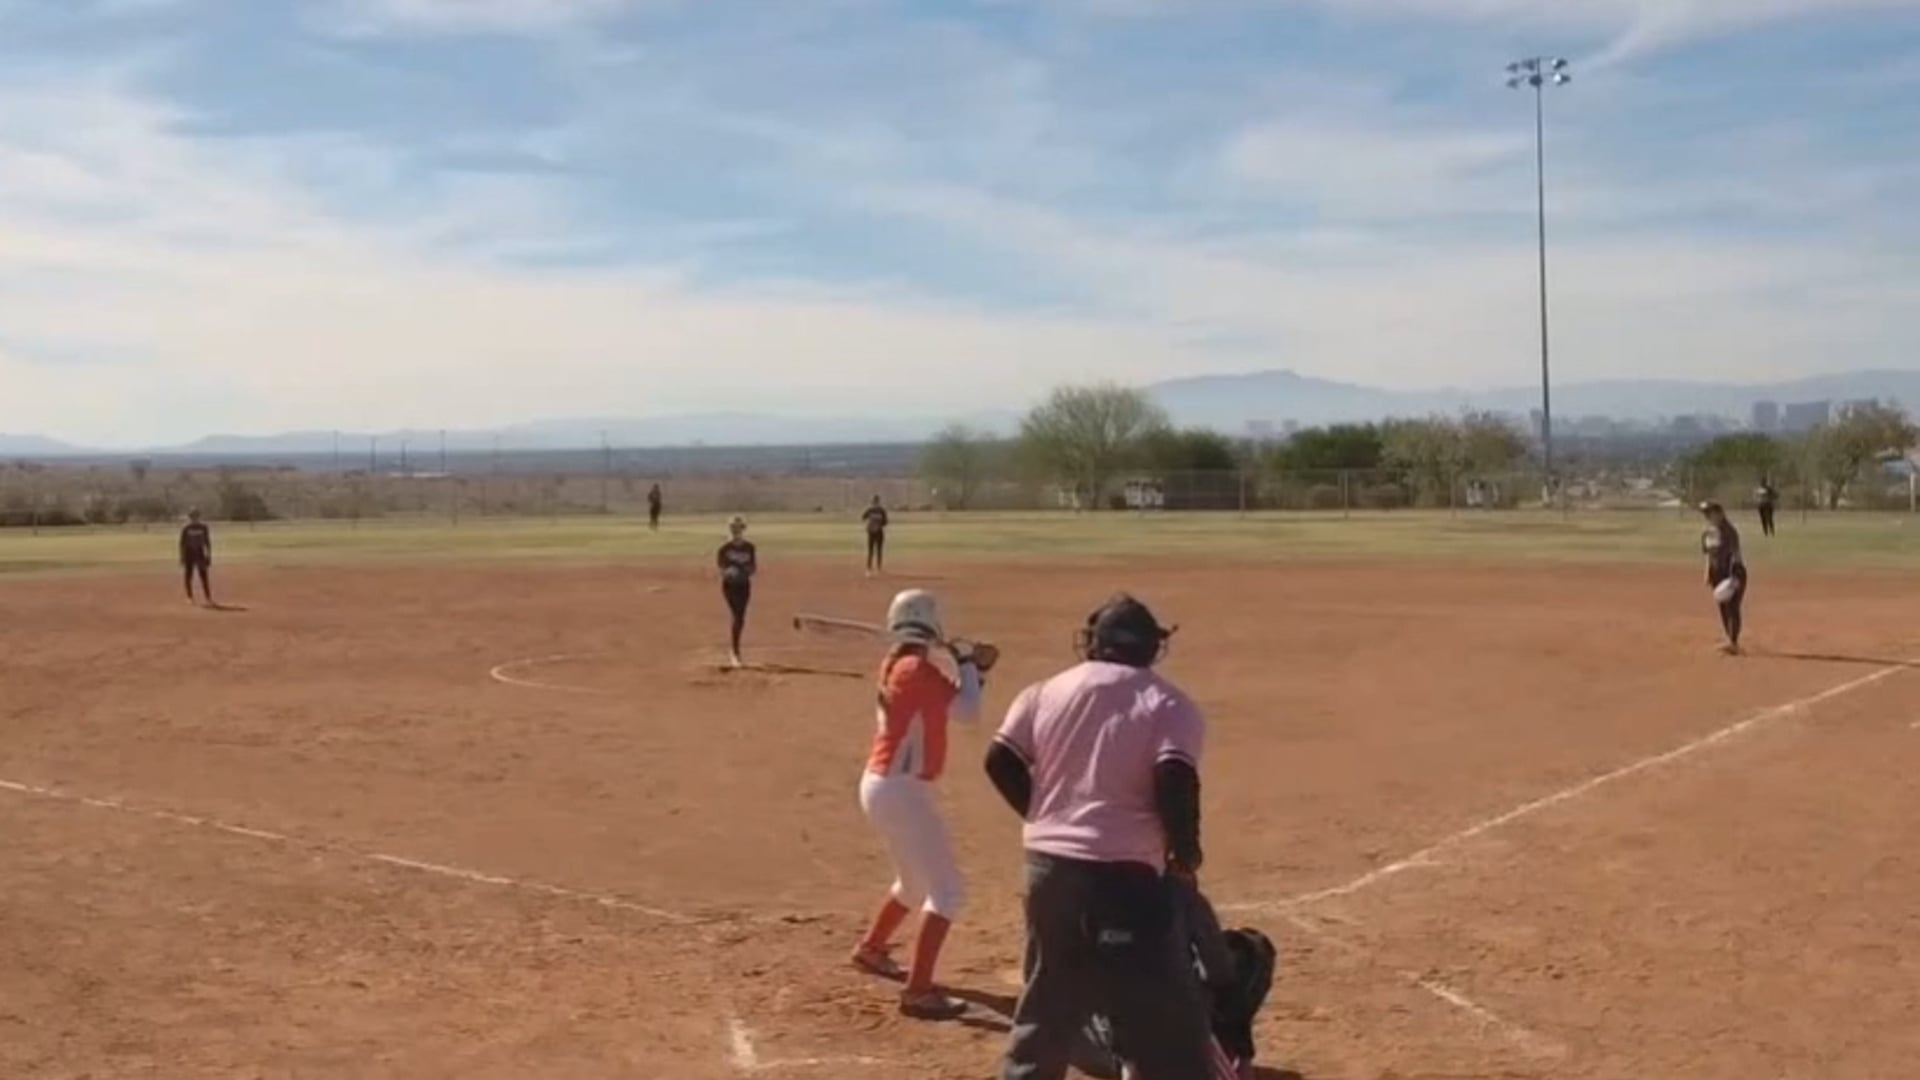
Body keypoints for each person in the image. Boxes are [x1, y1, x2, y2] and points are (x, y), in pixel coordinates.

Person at [984, 593, 1217, 1080]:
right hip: (1126, 876)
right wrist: (1185, 852)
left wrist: (1045, 815)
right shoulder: (1168, 703)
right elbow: (1174, 777)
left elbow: (1000, 760)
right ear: (1150, 646)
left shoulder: (1044, 691)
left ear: (1095, 642)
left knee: (1048, 997)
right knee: (1154, 1003)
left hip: (1048, 868)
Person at [849, 589, 991, 1021]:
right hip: (901, 789)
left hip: (886, 785)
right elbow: (969, 712)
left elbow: (959, 702)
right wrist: (967, 663)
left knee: (912, 884)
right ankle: (918, 990)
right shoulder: (916, 669)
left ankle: (872, 948)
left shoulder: (898, 664)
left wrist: (973, 670)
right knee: (947, 892)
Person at [1699, 501, 1748, 655]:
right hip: (1717, 574)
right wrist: (1707, 572)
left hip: (1732, 572)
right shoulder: (1707, 532)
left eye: (1710, 512)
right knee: (1723, 607)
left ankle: (1733, 642)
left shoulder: (1729, 531)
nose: (1707, 516)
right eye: (1705, 513)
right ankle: (1730, 640)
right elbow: (1708, 554)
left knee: (1732, 606)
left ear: (1720, 513)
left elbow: (1736, 554)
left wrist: (1735, 576)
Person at [715, 516, 757, 667]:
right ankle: (735, 652)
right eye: (733, 528)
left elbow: (753, 567)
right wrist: (729, 572)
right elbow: (721, 568)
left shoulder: (750, 547)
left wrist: (745, 570)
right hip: (730, 586)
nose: (736, 531)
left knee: (741, 618)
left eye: (739, 528)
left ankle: (735, 649)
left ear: (743, 529)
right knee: (737, 615)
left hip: (744, 585)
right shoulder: (724, 548)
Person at [179, 508, 214, 606]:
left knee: (204, 576)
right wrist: (182, 556)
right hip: (189, 553)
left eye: (196, 516)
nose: (194, 519)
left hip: (200, 553)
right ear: (190, 517)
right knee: (188, 576)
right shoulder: (186, 528)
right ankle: (190, 597)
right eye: (192, 517)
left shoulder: (203, 527)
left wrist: (209, 555)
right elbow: (182, 543)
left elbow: (207, 542)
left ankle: (208, 598)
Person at [862, 495, 889, 576]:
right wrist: (870, 525)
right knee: (870, 551)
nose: (875, 503)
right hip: (871, 532)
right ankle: (869, 568)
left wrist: (879, 525)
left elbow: (886, 522)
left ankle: (878, 568)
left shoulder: (882, 511)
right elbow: (863, 517)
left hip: (879, 532)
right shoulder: (870, 510)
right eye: (874, 502)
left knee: (879, 550)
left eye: (876, 502)